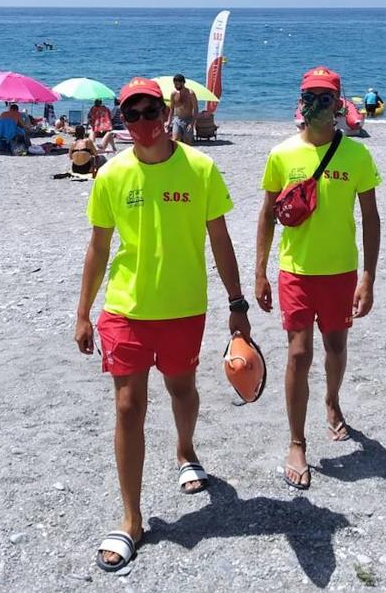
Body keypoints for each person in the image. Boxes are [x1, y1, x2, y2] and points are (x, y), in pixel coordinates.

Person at [74, 77, 249, 575]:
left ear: (168, 111)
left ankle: (186, 450)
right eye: (134, 115)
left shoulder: (200, 168)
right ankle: (132, 518)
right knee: (128, 407)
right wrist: (83, 312)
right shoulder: (111, 174)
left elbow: (220, 240)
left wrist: (237, 304)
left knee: (181, 389)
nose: (146, 123)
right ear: (121, 120)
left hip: (183, 309)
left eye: (153, 111)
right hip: (125, 310)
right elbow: (98, 247)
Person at [255, 66, 382, 491]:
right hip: (296, 271)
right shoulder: (282, 154)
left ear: (339, 102)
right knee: (297, 355)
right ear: (300, 101)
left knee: (335, 346)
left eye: (325, 97)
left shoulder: (357, 156)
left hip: (341, 271)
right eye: (310, 96)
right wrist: (259, 271)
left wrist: (368, 276)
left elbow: (370, 218)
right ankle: (296, 442)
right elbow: (267, 216)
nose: (317, 104)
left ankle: (331, 401)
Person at [168, 74, 198, 144]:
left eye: (177, 84)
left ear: (183, 83)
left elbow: (196, 109)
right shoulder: (173, 94)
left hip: (188, 120)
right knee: (175, 140)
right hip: (177, 120)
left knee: (187, 141)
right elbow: (171, 109)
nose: (175, 86)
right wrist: (169, 121)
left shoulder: (191, 93)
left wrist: (192, 123)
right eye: (174, 84)